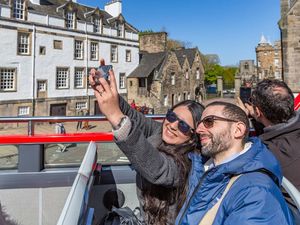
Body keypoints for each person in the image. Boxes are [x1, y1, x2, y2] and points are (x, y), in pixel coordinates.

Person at [89, 69, 205, 225]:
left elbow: (156, 168)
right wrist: (109, 91)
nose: (172, 126)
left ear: (193, 137)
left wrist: (115, 117)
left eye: (183, 126)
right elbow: (134, 117)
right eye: (171, 116)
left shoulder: (187, 163)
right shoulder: (160, 132)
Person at [175, 101, 294, 225]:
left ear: (238, 130)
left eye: (209, 122)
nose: (199, 130)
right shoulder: (204, 166)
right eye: (199, 123)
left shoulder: (255, 191)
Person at [237, 79, 300, 191]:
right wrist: (257, 116)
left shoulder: (264, 153)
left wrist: (243, 119)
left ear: (258, 111)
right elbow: (277, 132)